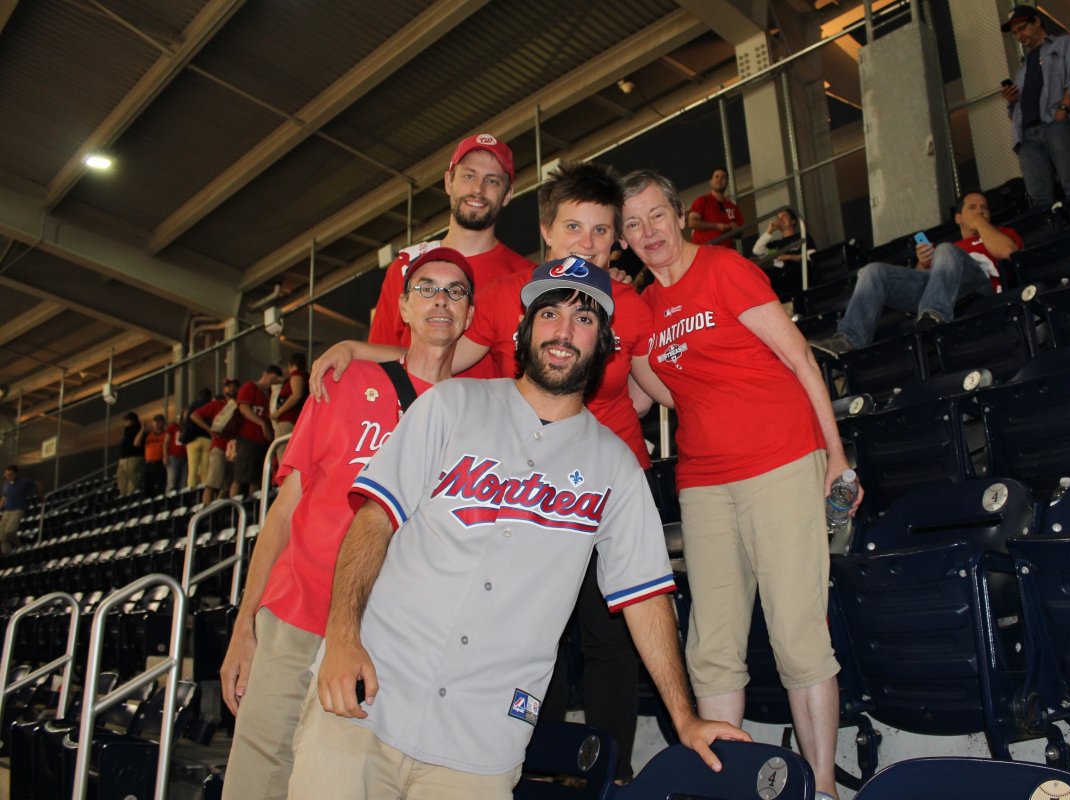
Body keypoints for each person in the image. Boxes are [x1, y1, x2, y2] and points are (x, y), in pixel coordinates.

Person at [288, 261, 748, 800]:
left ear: (605, 346)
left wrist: (684, 718)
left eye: (584, 319)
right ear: (523, 331)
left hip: (480, 745)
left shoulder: (616, 466)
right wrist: (342, 639)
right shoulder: (450, 404)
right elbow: (373, 521)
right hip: (368, 699)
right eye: (549, 314)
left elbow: (645, 597)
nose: (563, 331)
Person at [308, 161, 674, 780]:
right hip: (521, 481)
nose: (586, 242)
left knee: (607, 635)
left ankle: (609, 773)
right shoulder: (510, 293)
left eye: (601, 231)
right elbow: (441, 360)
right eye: (574, 227)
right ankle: (534, 765)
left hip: (602, 484)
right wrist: (359, 349)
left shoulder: (626, 304)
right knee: (537, 632)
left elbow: (656, 387)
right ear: (547, 231)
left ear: (616, 240)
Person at [620, 169, 856, 798]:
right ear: (623, 239)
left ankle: (822, 789)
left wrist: (836, 456)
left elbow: (799, 357)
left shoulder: (724, 269)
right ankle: (723, 787)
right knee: (713, 646)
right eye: (633, 224)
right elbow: (651, 396)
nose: (649, 231)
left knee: (796, 633)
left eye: (657, 215)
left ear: (680, 216)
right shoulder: (644, 308)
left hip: (780, 458)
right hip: (703, 480)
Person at [220, 248, 475, 800]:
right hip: (295, 613)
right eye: (427, 288)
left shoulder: (472, 417)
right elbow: (284, 510)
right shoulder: (343, 380)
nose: (440, 300)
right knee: (255, 780)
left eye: (455, 291)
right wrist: (245, 626)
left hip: (380, 640)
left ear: (469, 316)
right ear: (402, 308)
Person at [369, 134, 532, 379]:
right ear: (448, 182)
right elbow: (377, 364)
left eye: (492, 181)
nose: (478, 189)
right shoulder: (407, 267)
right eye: (468, 176)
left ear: (508, 194)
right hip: (415, 402)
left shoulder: (526, 278)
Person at [811, 192, 1022, 356]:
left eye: (984, 208)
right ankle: (848, 340)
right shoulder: (952, 248)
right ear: (958, 218)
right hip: (944, 287)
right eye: (972, 208)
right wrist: (922, 263)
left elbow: (1007, 252)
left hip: (978, 284)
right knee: (873, 271)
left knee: (945, 249)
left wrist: (979, 223)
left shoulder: (1002, 234)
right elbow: (925, 286)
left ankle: (933, 317)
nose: (980, 211)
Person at [1000, 5, 1070, 210]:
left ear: (1037, 22)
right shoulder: (1022, 69)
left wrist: (1062, 112)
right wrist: (1012, 101)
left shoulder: (1065, 44)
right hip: (1027, 136)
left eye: (1022, 28)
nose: (1019, 36)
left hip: (1056, 125)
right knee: (1039, 200)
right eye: (1015, 33)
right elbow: (1015, 113)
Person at [230, 366, 283, 499]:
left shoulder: (268, 394)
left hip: (261, 441)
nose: (272, 382)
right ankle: (233, 507)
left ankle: (252, 505)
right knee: (241, 476)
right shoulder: (250, 387)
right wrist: (261, 423)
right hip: (247, 437)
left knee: (256, 478)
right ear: (266, 374)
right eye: (272, 378)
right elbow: (243, 408)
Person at [191, 379, 241, 505]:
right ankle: (207, 510)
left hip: (233, 449)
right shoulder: (218, 404)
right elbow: (195, 415)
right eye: (228, 386)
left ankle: (217, 509)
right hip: (219, 446)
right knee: (213, 483)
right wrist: (209, 430)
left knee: (227, 485)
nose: (231, 388)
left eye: (234, 386)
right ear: (224, 389)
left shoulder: (240, 405)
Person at [688, 167, 744, 248]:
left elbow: (740, 233)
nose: (719, 179)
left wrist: (735, 229)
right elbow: (692, 223)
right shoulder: (702, 200)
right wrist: (717, 226)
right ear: (711, 181)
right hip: (704, 251)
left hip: (724, 252)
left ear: (727, 182)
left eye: (723, 177)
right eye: (716, 177)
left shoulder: (733, 207)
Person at [0, 465, 38, 556]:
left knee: (9, 531)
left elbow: (37, 484)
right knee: (1, 535)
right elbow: (4, 497)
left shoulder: (24, 482)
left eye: (11, 474)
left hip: (17, 510)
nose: (8, 476)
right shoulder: (5, 484)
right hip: (7, 511)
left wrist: (42, 497)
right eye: (7, 474)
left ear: (16, 474)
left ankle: (20, 546)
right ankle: (7, 554)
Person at [270, 353, 308, 438]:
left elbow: (296, 395)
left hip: (289, 420)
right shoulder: (304, 377)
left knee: (283, 446)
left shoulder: (297, 375)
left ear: (290, 364)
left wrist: (278, 412)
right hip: (295, 421)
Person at [182, 388, 213, 489]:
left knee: (192, 469)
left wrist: (186, 438)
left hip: (193, 440)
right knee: (205, 469)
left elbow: (188, 422)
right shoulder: (211, 405)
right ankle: (204, 490)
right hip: (207, 439)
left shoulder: (192, 405)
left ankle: (191, 490)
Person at [136, 414, 168, 497]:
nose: (157, 423)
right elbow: (136, 443)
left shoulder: (166, 434)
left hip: (161, 464)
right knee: (147, 488)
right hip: (149, 464)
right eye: (155, 421)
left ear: (163, 423)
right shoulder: (148, 435)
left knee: (161, 487)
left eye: (159, 421)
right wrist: (142, 430)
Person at [116, 412, 143, 497]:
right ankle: (123, 497)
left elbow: (136, 444)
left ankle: (132, 497)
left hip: (133, 458)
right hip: (123, 459)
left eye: (127, 420)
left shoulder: (137, 430)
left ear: (133, 421)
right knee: (122, 483)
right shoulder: (126, 431)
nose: (125, 422)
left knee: (133, 482)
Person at [165, 413, 187, 493]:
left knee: (183, 482)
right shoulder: (173, 427)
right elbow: (166, 442)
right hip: (173, 457)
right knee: (172, 481)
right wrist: (165, 456)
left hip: (185, 458)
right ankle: (168, 498)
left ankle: (180, 498)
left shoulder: (187, 428)